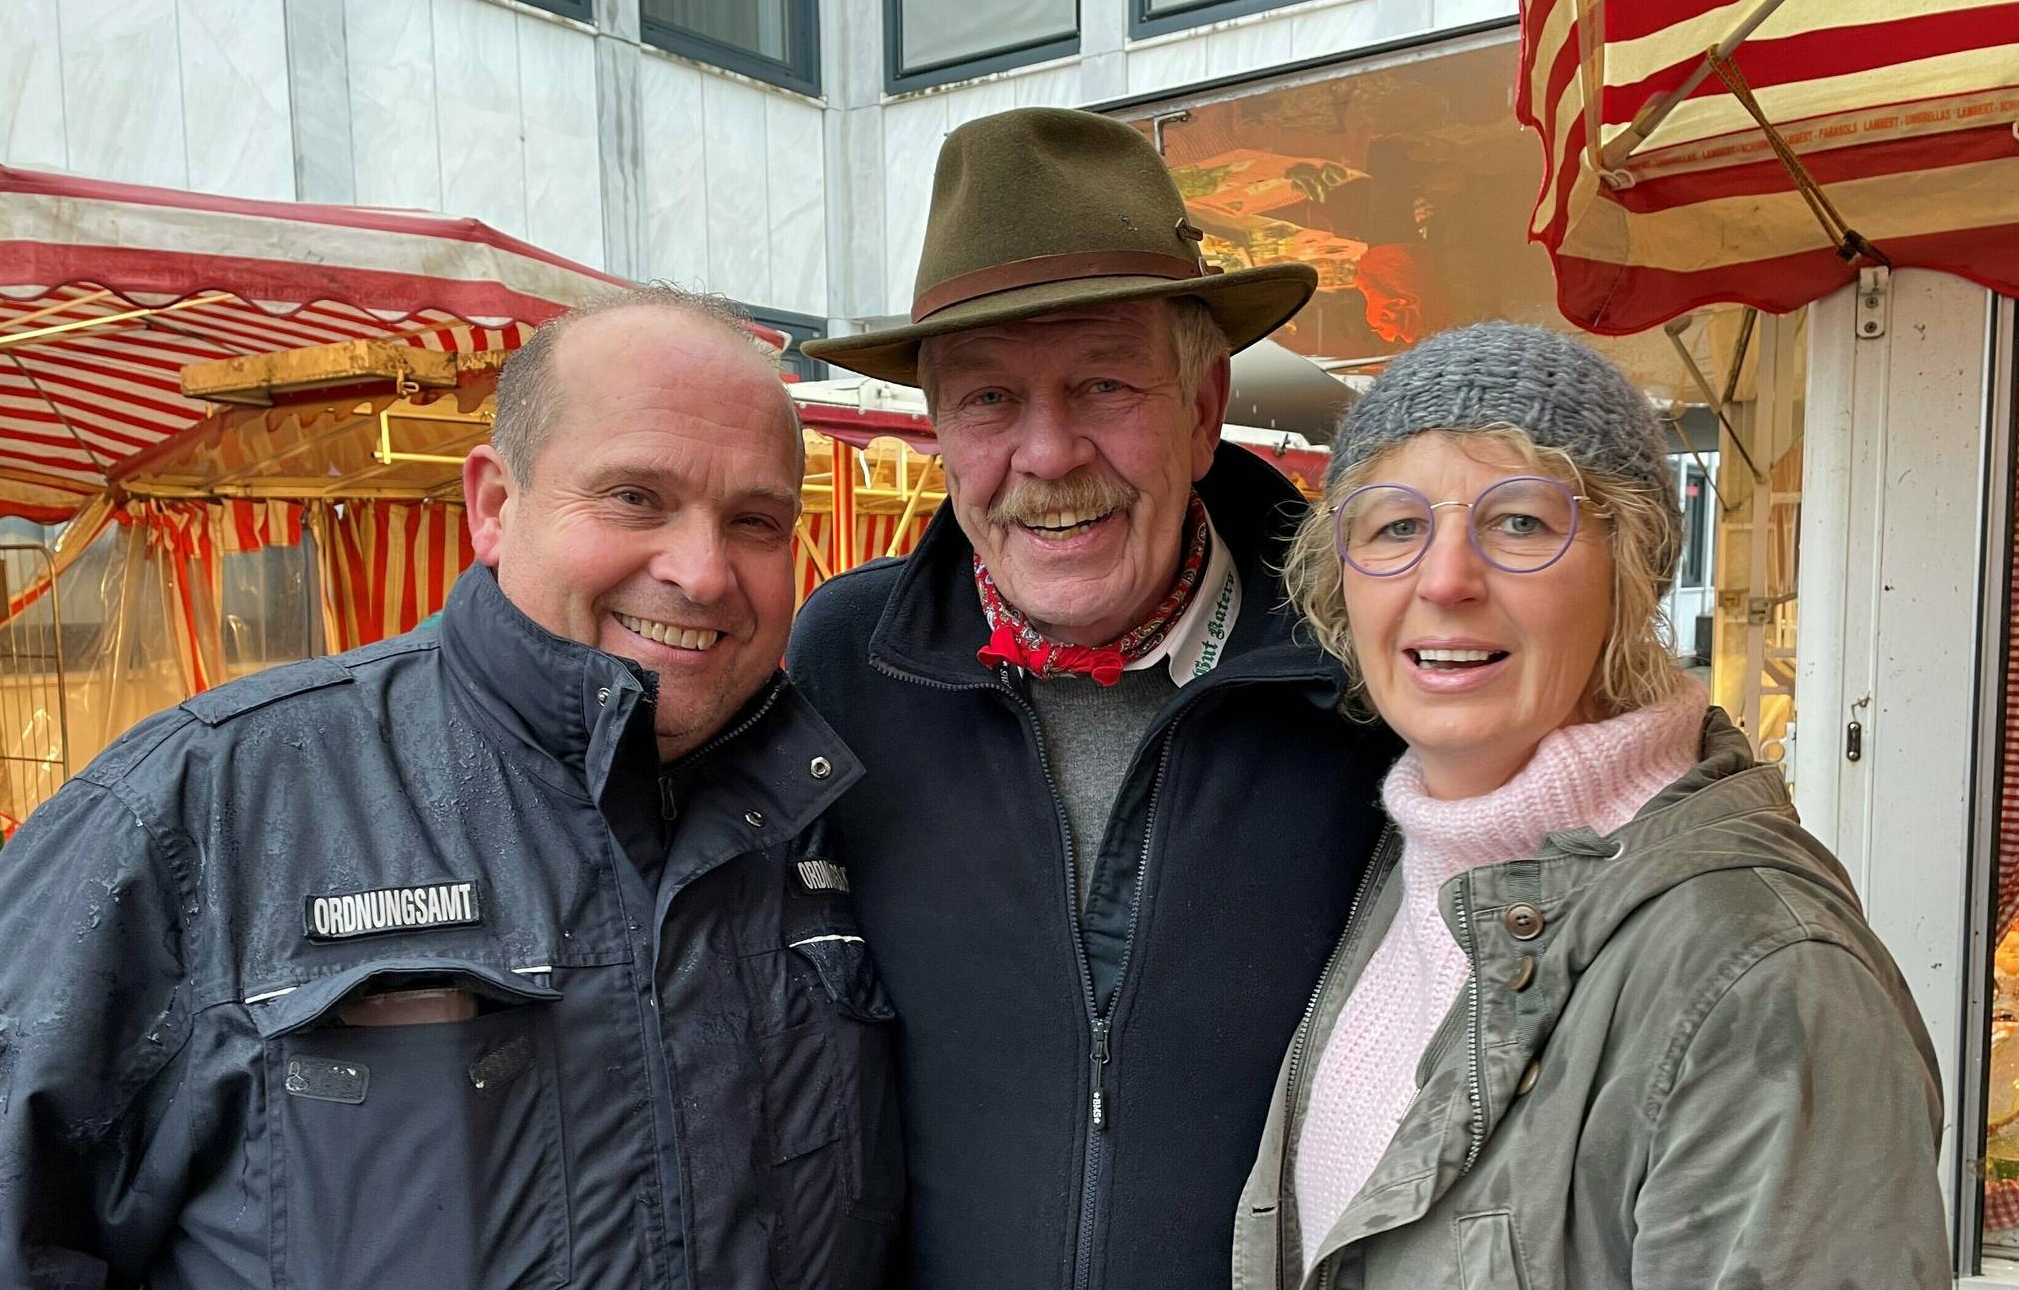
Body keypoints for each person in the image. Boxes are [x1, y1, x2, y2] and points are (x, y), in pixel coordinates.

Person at [0, 288, 900, 1290]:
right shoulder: (199, 806)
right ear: (492, 506)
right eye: (634, 497)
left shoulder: (828, 805)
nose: (702, 571)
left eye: (755, 519)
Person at [789, 107, 1395, 1290]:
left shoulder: (1363, 665)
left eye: (1104, 384)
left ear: (1205, 402)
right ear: (940, 429)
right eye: (988, 400)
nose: (1050, 453)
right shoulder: (848, 658)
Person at [1233, 322, 1948, 1288]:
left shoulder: (1764, 980)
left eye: (1520, 521)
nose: (1444, 579)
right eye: (1396, 525)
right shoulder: (1405, 868)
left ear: (1634, 566)